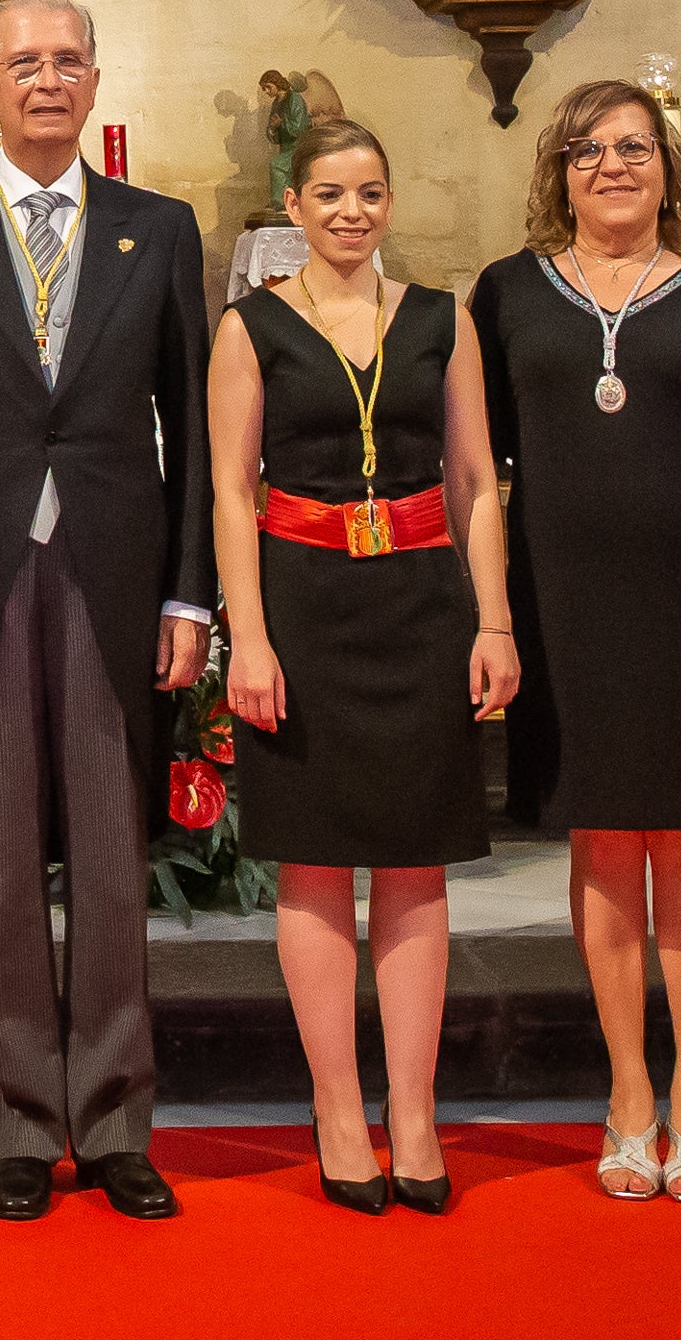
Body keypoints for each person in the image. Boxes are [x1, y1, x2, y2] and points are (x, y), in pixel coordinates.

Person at [0, 0, 213, 1222]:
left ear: (94, 78)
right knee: (2, 844)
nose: (47, 78)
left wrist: (191, 595)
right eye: (24, 61)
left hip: (117, 572)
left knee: (115, 851)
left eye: (68, 59)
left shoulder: (156, 228)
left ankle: (115, 1116)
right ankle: (17, 1119)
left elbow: (190, 420)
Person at [470, 79, 681, 1205]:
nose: (611, 164)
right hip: (567, 611)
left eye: (632, 145)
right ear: (555, 172)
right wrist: (490, 615)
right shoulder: (507, 292)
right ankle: (626, 1094)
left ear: (667, 163)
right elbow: (477, 471)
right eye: (586, 149)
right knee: (602, 847)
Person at [212, 118, 512, 1215]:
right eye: (328, 193)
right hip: (301, 604)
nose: (349, 211)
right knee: (311, 863)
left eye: (368, 192)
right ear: (291, 206)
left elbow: (477, 479)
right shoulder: (250, 326)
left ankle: (416, 1110)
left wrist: (494, 621)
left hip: (421, 603)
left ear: (389, 203)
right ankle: (338, 1107)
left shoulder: (442, 319)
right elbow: (230, 490)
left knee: (415, 863)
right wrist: (245, 634)